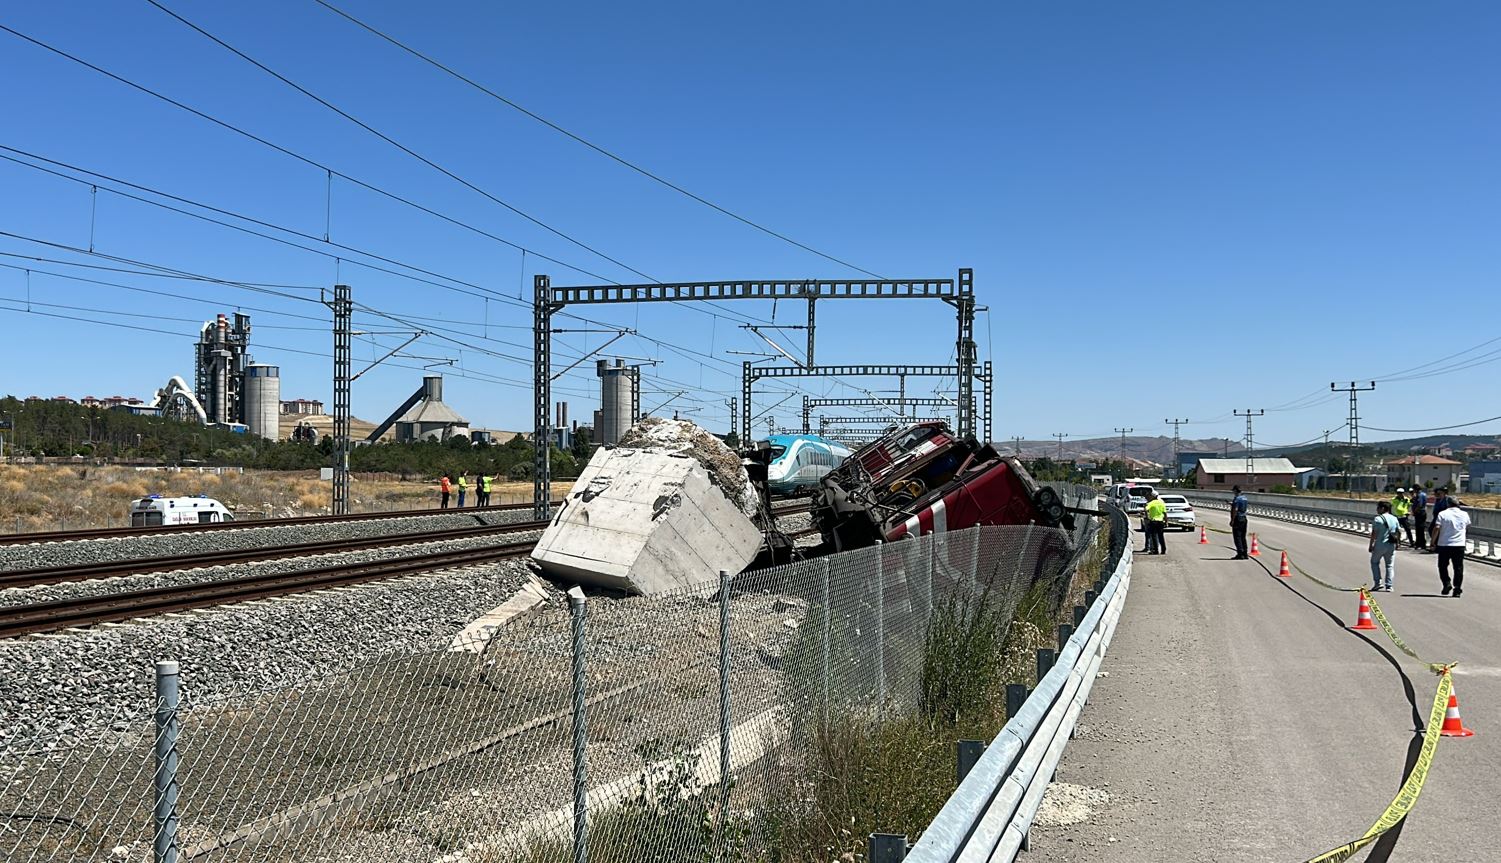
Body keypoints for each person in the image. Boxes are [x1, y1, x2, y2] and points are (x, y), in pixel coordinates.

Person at [1430, 498, 1471, 597]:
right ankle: (1457, 588)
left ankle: (1446, 583)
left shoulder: (1442, 514)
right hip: (1459, 545)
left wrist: (1433, 541)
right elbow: (1467, 526)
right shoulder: (1464, 514)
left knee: (1442, 566)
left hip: (1445, 544)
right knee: (1458, 567)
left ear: (1448, 504)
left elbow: (1437, 528)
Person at [1368, 501, 1399, 592]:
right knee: (1389, 565)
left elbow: (1374, 533)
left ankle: (1378, 583)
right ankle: (1389, 585)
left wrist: (1371, 545)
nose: (1377, 509)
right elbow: (1398, 531)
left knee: (1374, 562)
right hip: (1391, 545)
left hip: (1380, 544)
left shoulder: (1378, 519)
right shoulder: (1394, 518)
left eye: (1378, 508)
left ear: (1382, 508)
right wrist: (1397, 543)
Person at [1144, 490, 1168, 555]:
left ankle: (1156, 550)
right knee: (1161, 536)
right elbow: (1165, 513)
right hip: (1161, 521)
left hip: (1153, 521)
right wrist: (1166, 522)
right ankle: (1163, 550)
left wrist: (1147, 516)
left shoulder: (1151, 503)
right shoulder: (1161, 502)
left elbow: (1146, 509)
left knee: (1154, 536)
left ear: (1153, 496)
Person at [1230, 485, 1250, 559]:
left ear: (1235, 491)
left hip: (1238, 519)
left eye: (1233, 491)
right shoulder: (1244, 498)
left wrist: (1232, 520)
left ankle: (1240, 554)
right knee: (1243, 537)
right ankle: (1245, 553)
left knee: (1237, 537)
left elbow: (1235, 510)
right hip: (1244, 518)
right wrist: (1232, 504)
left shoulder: (1237, 499)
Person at [1411, 486, 1428, 550]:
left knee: (1419, 529)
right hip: (1422, 513)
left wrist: (1414, 511)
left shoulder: (1420, 495)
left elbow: (1419, 505)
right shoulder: (1423, 494)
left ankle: (1420, 543)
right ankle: (1420, 543)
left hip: (1419, 513)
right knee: (1420, 529)